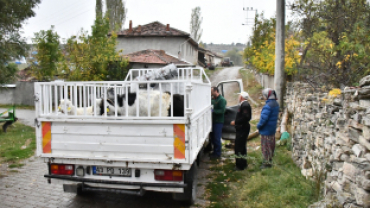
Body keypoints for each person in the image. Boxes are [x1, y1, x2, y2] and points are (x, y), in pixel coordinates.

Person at [257, 88, 280, 169]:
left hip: (266, 130)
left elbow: (263, 119)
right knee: (271, 145)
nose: (263, 97)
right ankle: (269, 160)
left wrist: (258, 126)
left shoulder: (268, 106)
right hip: (272, 129)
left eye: (264, 95)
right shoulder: (276, 104)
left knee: (266, 147)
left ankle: (266, 163)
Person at [230, 91, 252, 171]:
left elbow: (246, 117)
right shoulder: (243, 104)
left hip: (243, 128)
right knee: (242, 147)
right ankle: (243, 163)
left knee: (238, 147)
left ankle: (239, 166)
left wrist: (236, 122)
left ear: (242, 97)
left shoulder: (245, 105)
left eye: (239, 96)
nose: (238, 97)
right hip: (242, 128)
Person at [210, 87, 227, 159]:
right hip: (212, 121)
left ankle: (217, 154)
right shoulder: (213, 99)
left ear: (215, 91)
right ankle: (214, 151)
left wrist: (213, 111)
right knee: (212, 137)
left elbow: (222, 111)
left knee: (217, 137)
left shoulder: (221, 100)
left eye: (211, 91)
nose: (210, 93)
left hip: (218, 122)